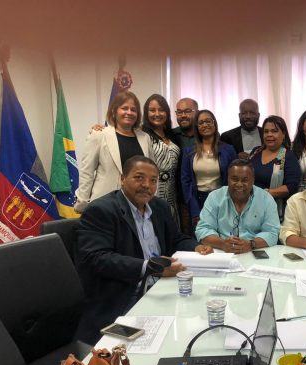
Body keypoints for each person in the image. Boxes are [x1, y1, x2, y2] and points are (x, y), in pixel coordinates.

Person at [76, 156, 212, 343]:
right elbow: (96, 258)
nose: (147, 185)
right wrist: (150, 267)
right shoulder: (101, 210)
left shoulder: (159, 207)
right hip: (125, 297)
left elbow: (175, 239)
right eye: (139, 178)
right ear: (123, 179)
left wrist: (196, 246)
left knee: (199, 320)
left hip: (161, 288)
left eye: (153, 180)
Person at [74, 91, 151, 213]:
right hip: (105, 204)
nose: (129, 112)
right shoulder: (99, 135)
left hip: (137, 205)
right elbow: (87, 172)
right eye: (124, 108)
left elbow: (150, 171)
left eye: (133, 109)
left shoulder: (145, 138)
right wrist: (82, 202)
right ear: (114, 111)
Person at [195, 159, 280, 253]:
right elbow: (203, 229)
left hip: (254, 251)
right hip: (222, 251)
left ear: (253, 180)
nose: (239, 184)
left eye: (245, 180)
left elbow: (272, 232)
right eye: (234, 179)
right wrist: (222, 244)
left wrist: (251, 244)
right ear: (228, 179)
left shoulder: (266, 199)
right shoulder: (214, 197)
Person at [181, 109, 237, 228]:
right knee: (202, 235)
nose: (205, 125)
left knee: (222, 233)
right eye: (201, 122)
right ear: (197, 127)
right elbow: (185, 181)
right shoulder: (189, 151)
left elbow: (234, 178)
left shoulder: (228, 150)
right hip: (198, 200)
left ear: (214, 123)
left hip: (222, 199)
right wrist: (194, 210)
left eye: (208, 121)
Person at [250, 115, 301, 220]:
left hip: (274, 211)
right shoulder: (256, 152)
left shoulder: (288, 156)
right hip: (250, 207)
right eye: (266, 131)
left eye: (274, 131)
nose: (269, 134)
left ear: (283, 134)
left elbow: (291, 187)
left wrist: (263, 194)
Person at [141, 94, 181, 228]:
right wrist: (99, 128)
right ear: (146, 113)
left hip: (172, 193)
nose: (157, 114)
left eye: (161, 110)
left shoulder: (172, 134)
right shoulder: (141, 134)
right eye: (152, 110)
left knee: (172, 229)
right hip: (151, 192)